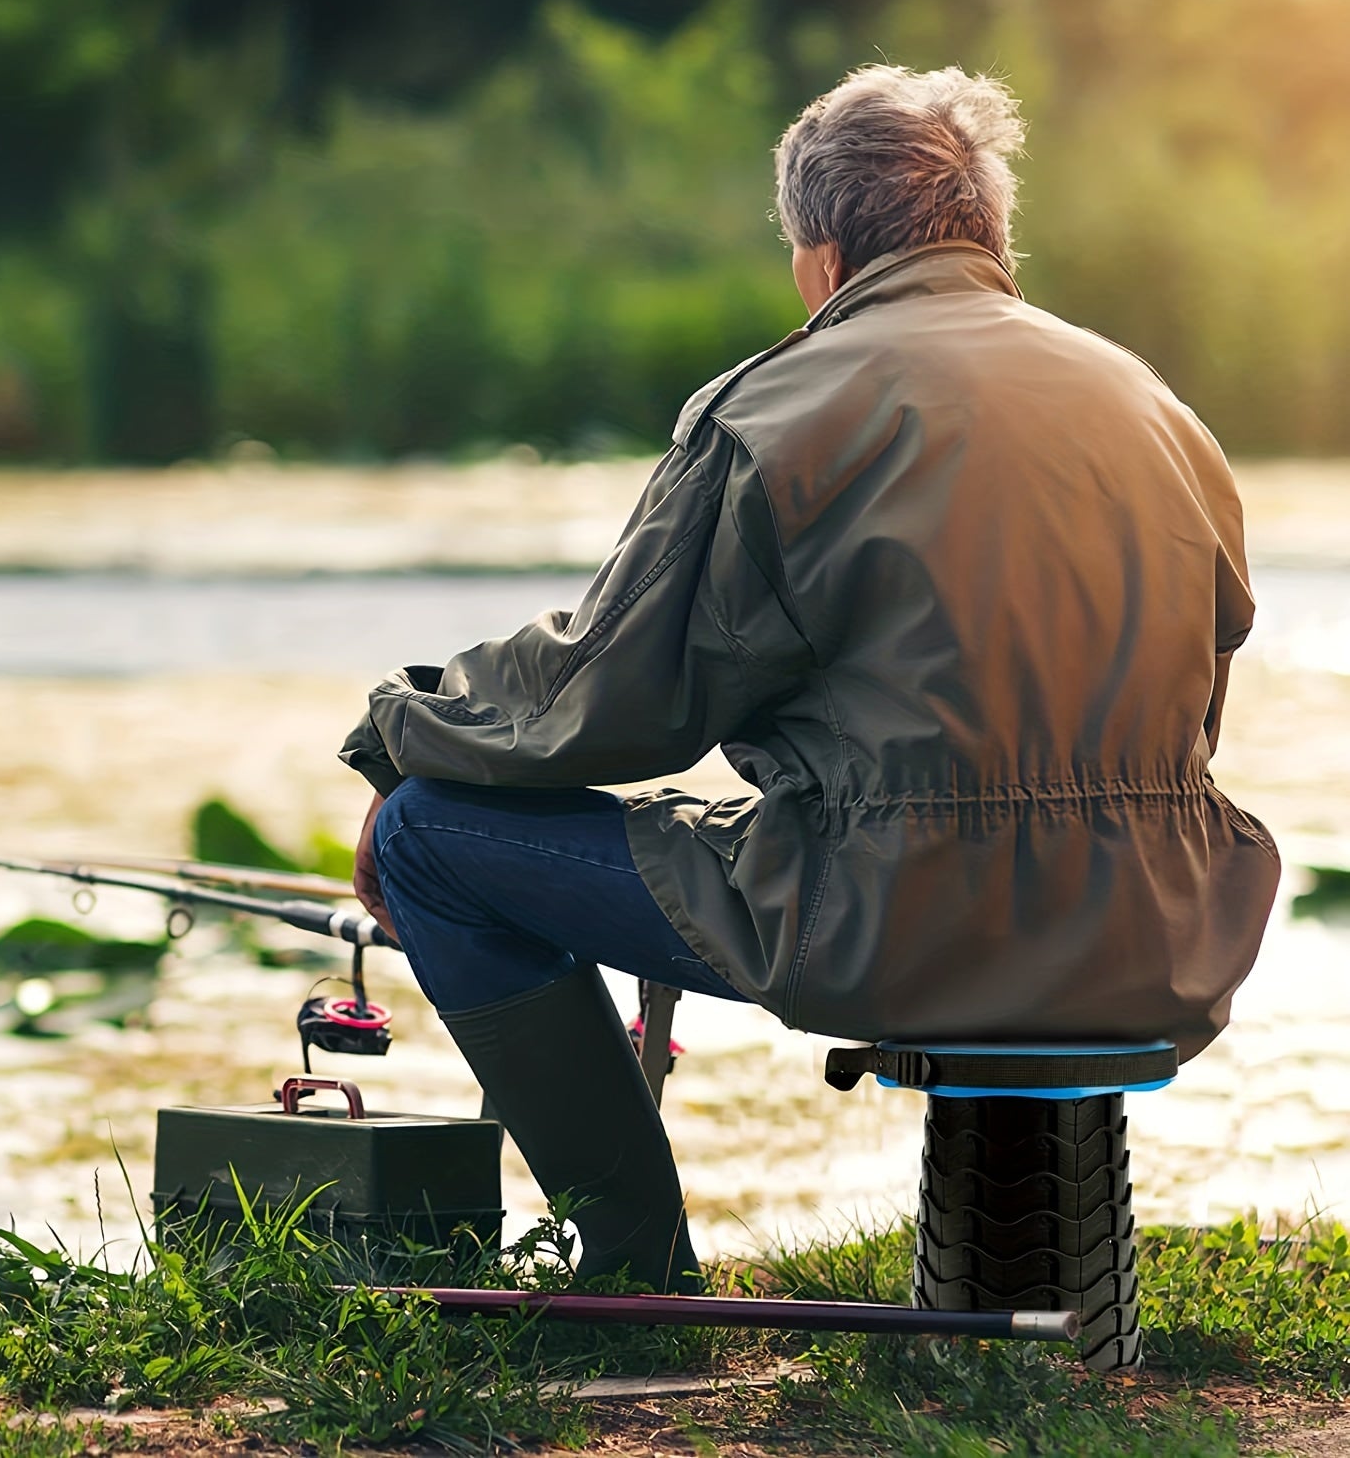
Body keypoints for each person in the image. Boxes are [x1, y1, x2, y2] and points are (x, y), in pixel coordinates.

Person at [340, 64, 1280, 1292]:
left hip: (903, 925)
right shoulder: (1156, 406)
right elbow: (1196, 696)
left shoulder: (779, 411)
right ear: (992, 235)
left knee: (425, 840)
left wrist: (396, 731)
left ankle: (633, 1271)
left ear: (821, 257)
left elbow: (605, 702)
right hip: (1166, 929)